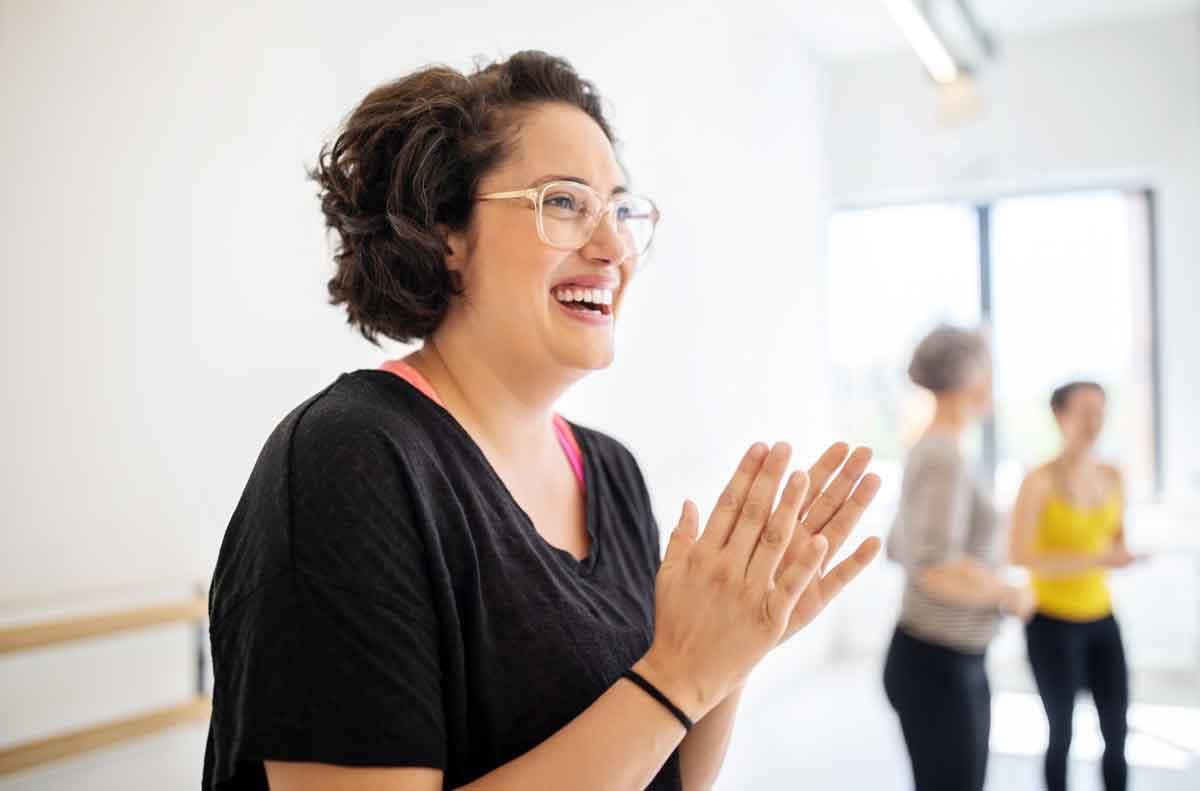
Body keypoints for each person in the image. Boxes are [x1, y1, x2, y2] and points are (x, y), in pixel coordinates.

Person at [202, 51, 883, 791]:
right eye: (564, 202)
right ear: (447, 231)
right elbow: (664, 693)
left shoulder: (611, 471)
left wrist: (730, 650)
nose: (613, 248)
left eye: (620, 210)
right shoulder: (350, 458)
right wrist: (679, 674)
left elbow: (666, 774)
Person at [884, 324, 1035, 791]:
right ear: (972, 378)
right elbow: (933, 565)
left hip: (943, 657)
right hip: (937, 663)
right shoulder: (942, 455)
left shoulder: (933, 446)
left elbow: (901, 548)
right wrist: (1008, 592)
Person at [1010, 381, 1142, 791]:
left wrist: (1122, 556)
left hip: (1102, 618)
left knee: (1117, 732)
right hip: (1050, 623)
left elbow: (1116, 543)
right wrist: (1096, 559)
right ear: (1059, 416)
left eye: (1100, 411)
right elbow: (1019, 555)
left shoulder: (1114, 475)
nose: (1094, 422)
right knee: (1061, 733)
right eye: (1084, 412)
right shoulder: (1038, 480)